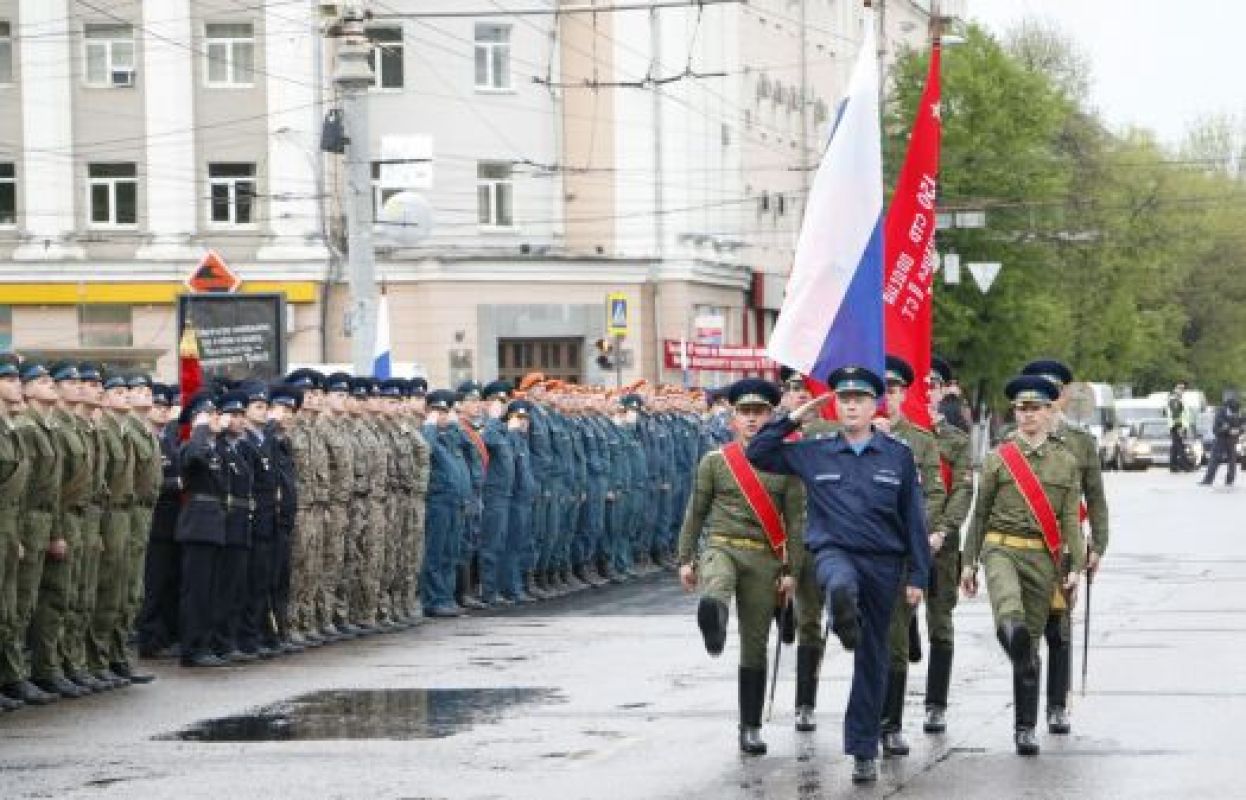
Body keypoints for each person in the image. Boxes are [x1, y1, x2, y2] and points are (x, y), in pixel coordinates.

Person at [746, 365, 930, 783]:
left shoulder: (897, 455)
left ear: (873, 405)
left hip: (884, 563)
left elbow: (913, 519)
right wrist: (794, 417)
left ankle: (863, 749)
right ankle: (843, 614)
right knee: (841, 584)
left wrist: (919, 576)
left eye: (859, 399)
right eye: (843, 399)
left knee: (873, 658)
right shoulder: (816, 450)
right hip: (835, 552)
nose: (850, 406)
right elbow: (758, 453)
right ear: (834, 405)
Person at [677, 378, 804, 756]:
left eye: (759, 412)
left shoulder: (786, 466)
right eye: (744, 412)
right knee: (716, 585)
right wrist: (685, 558)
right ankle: (713, 624)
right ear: (733, 417)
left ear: (771, 416)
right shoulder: (715, 462)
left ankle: (750, 727)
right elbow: (696, 512)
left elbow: (795, 523)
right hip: (723, 545)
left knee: (755, 644)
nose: (751, 419)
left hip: (765, 558)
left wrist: (791, 571)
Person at [960, 375, 1084, 756]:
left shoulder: (1066, 462)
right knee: (1010, 615)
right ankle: (1011, 633)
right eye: (1021, 409)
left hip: (1043, 558)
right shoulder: (999, 458)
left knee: (1029, 644)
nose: (1027, 415)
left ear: (1048, 412)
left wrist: (1076, 564)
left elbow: (1069, 521)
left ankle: (1025, 728)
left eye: (1034, 408)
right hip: (1001, 548)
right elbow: (980, 514)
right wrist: (968, 562)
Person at [1021, 359, 1108, 734]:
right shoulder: (1014, 438)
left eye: (1054, 392)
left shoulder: (1081, 442)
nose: (1048, 400)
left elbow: (1096, 497)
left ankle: (1057, 705)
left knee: (1058, 628)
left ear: (1063, 397)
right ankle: (1024, 711)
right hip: (1023, 546)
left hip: (1063, 547)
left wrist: (1097, 545)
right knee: (1025, 628)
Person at [877, 355, 946, 756]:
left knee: (896, 643)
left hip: (900, 552)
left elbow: (934, 492)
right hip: (860, 553)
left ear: (903, 394)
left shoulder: (921, 441)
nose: (886, 397)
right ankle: (867, 718)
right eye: (879, 390)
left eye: (892, 389)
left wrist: (918, 530)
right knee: (866, 640)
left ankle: (890, 725)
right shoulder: (849, 438)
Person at [922, 357, 975, 734]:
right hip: (899, 544)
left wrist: (942, 531)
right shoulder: (893, 434)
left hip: (941, 544)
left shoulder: (955, 441)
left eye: (933, 386)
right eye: (921, 386)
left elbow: (962, 492)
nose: (927, 393)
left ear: (943, 392)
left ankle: (936, 704)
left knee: (940, 622)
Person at [1200, 397, 1243, 487]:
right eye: (1233, 411)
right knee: (1215, 459)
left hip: (1231, 439)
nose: (1234, 413)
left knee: (1232, 460)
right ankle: (1208, 480)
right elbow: (1217, 428)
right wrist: (1228, 430)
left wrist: (1238, 431)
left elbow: (1241, 425)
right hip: (1220, 438)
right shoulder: (1220, 413)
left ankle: (1229, 480)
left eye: (1235, 411)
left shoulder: (1237, 412)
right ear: (1228, 407)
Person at [1165, 382, 1194, 472]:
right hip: (1177, 426)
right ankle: (1185, 466)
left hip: (1178, 426)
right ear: (1175, 389)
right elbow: (1176, 414)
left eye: (1183, 389)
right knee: (1180, 446)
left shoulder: (1179, 399)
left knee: (1175, 446)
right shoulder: (1174, 400)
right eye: (1180, 388)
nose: (1182, 390)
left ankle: (1173, 466)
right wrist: (1180, 427)